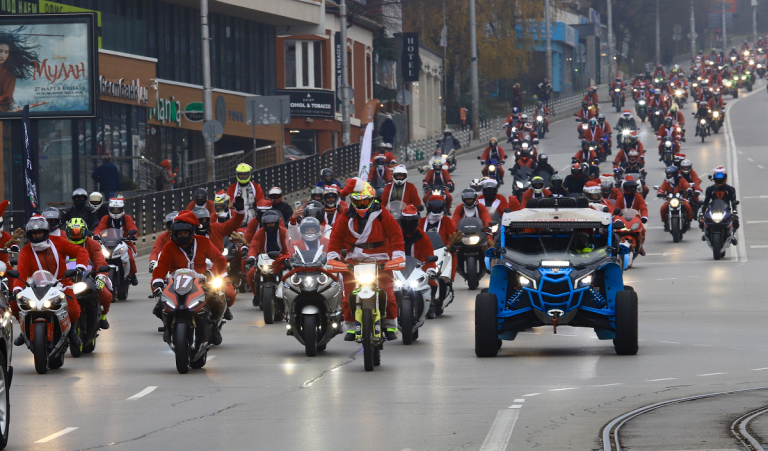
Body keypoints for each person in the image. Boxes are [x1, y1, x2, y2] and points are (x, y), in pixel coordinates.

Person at [327, 178, 405, 341]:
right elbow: (335, 238)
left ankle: (390, 325)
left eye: (365, 202)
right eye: (358, 202)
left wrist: (398, 255)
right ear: (352, 202)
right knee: (347, 296)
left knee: (389, 295)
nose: (361, 206)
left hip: (380, 259)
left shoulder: (383, 213)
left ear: (372, 200)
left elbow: (395, 235)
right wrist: (333, 256)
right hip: (353, 260)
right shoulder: (345, 217)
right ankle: (350, 326)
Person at [151, 211, 228, 344]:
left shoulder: (204, 242)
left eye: (185, 233)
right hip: (176, 284)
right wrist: (157, 282)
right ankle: (168, 328)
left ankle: (214, 327)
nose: (182, 236)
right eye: (179, 234)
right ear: (174, 233)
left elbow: (220, 260)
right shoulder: (169, 246)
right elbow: (161, 266)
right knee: (159, 308)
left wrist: (210, 273)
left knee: (216, 302)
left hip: (201, 283)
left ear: (191, 231)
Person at [12, 215, 88, 347]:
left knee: (74, 310)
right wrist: (17, 289)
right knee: (14, 304)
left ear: (46, 232)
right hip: (35, 286)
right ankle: (24, 330)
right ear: (30, 235)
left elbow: (80, 250)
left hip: (61, 283)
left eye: (40, 232)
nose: (37, 236)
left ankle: (71, 332)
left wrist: (80, 267)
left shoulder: (58, 242)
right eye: (34, 233)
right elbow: (21, 273)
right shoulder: (25, 251)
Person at [192, 203, 242, 318]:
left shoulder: (216, 228)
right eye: (199, 220)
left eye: (204, 219)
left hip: (216, 269)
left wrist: (240, 212)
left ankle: (224, 308)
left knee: (230, 294)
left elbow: (233, 223)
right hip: (195, 270)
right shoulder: (187, 234)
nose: (201, 223)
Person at [65, 218, 113, 329]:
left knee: (106, 295)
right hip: (66, 278)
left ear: (85, 232)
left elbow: (100, 261)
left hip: (89, 277)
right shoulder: (62, 243)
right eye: (73, 233)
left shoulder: (93, 244)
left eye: (79, 232)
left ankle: (103, 317)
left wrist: (100, 276)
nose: (76, 235)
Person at [419, 194, 459, 317]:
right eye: (433, 207)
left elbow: (453, 234)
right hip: (424, 254)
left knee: (446, 268)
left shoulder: (446, 221)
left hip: (443, 253)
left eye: (438, 207)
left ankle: (445, 288)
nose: (436, 210)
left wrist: (454, 245)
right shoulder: (421, 221)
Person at [398, 205, 438, 318]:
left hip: (418, 268)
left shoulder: (423, 236)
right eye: (406, 222)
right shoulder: (396, 234)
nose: (409, 225)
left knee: (432, 284)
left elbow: (429, 254)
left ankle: (430, 305)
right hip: (398, 268)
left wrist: (431, 270)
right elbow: (389, 250)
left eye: (412, 222)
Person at [245, 210, 290, 307]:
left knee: (289, 277)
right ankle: (256, 295)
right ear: (264, 224)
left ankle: (289, 297)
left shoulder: (284, 232)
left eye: (272, 223)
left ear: (277, 222)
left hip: (281, 259)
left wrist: (286, 258)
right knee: (251, 274)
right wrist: (251, 257)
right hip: (264, 259)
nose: (270, 225)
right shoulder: (260, 233)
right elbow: (253, 245)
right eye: (268, 223)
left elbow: (289, 247)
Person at [94, 197, 138, 286]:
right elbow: (100, 228)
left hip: (123, 242)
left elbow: (132, 227)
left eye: (118, 210)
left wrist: (131, 235)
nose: (115, 211)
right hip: (107, 243)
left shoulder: (127, 218)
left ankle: (132, 274)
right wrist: (97, 235)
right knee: (97, 256)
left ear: (122, 210)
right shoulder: (106, 218)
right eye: (113, 209)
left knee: (129, 257)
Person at [0, 28, 41, 112]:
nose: (3, 55)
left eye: (6, 52)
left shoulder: (8, 72)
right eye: (0, 51)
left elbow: (7, 97)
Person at [699, 167, 738, 240]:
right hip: (713, 210)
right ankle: (706, 234)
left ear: (725, 177)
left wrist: (735, 212)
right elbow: (706, 202)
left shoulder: (730, 189)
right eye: (717, 177)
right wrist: (702, 212)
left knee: (736, 221)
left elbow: (733, 201)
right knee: (702, 221)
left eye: (721, 177)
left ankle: (732, 235)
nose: (719, 179)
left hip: (726, 211)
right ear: (714, 178)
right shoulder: (710, 189)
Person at [0, 200, 22, 267]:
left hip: (3, 263)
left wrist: (14, 247)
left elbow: (12, 241)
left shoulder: (5, 235)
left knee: (11, 274)